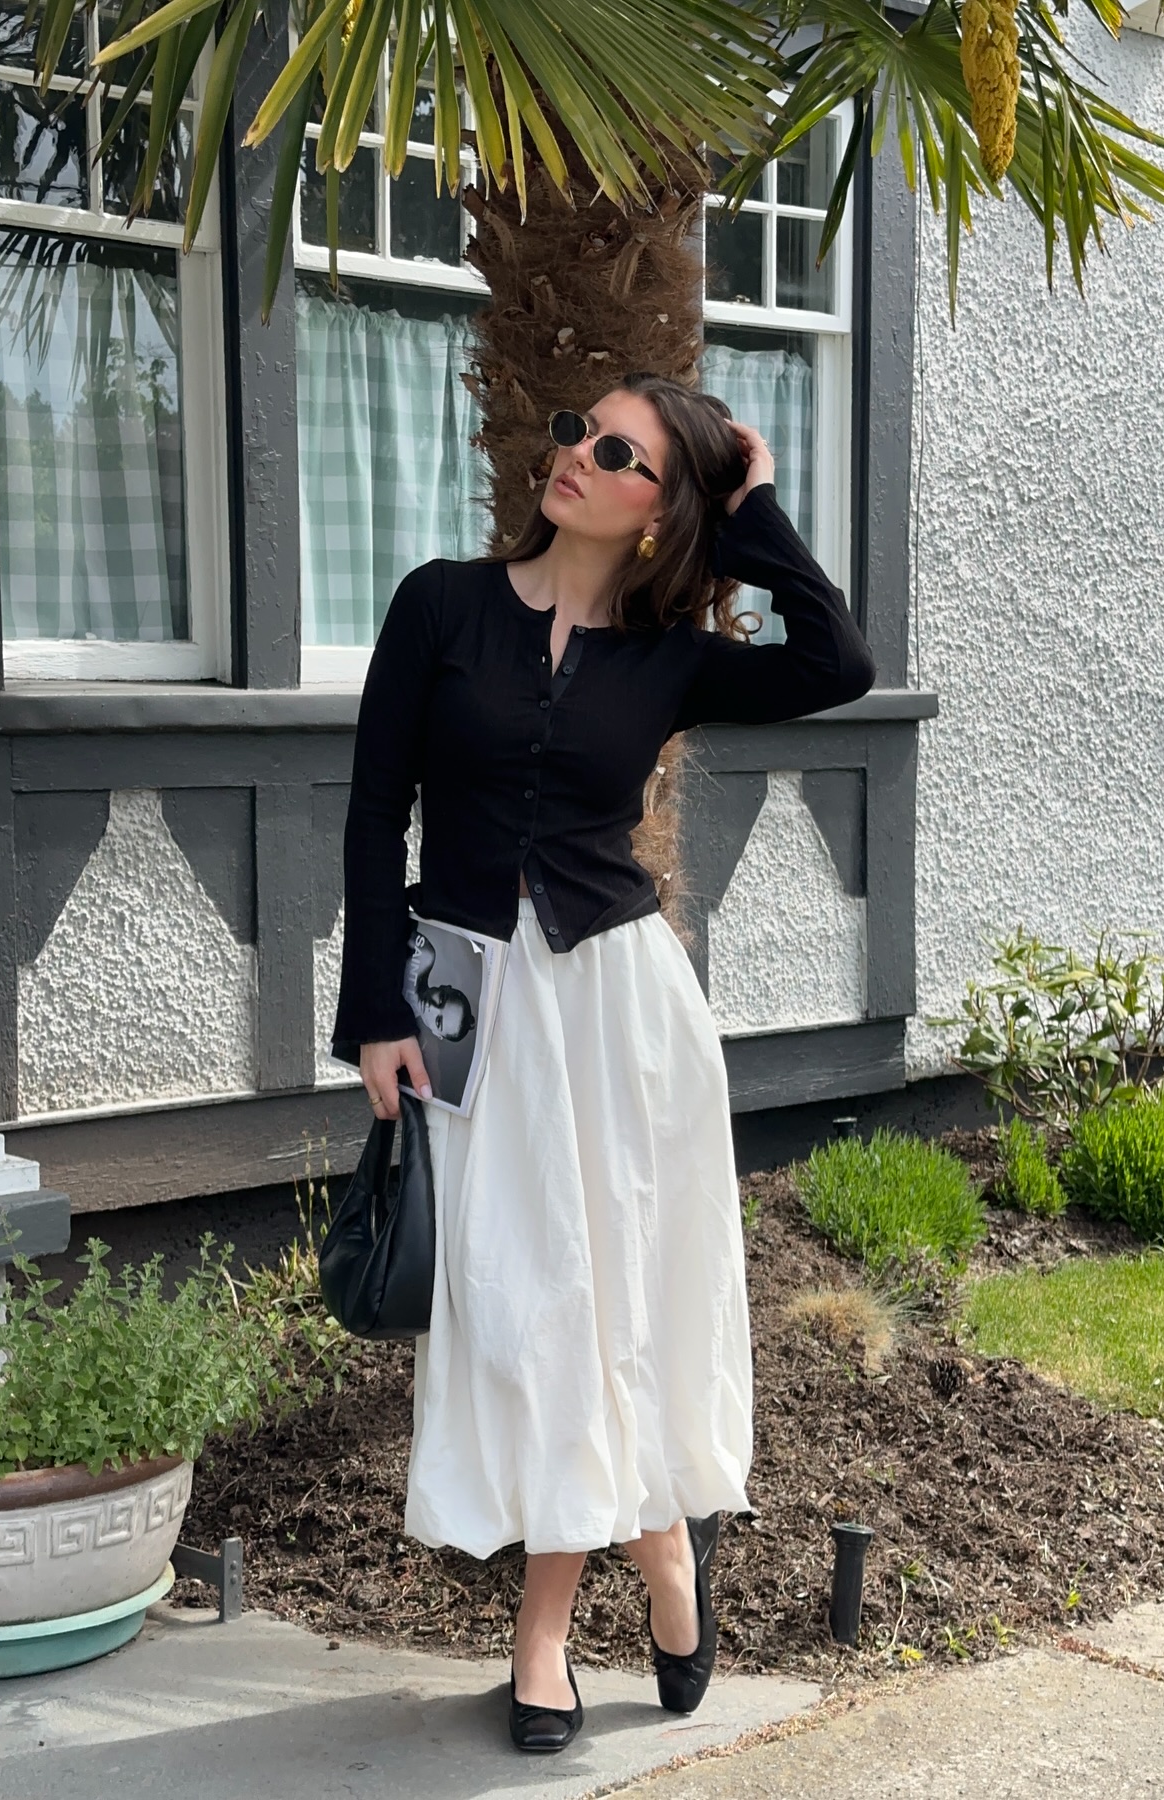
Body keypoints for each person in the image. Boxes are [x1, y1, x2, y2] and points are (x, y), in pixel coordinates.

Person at [330, 374, 876, 1753]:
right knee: (523, 1308)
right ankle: (663, 1551)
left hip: (620, 1014)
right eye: (579, 427)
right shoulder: (440, 605)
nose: (575, 451)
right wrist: (374, 1012)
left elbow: (837, 664)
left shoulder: (671, 657)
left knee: (614, 1301)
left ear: (658, 510)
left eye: (618, 450)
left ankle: (550, 1630)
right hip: (468, 1003)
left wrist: (750, 513)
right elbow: (374, 813)